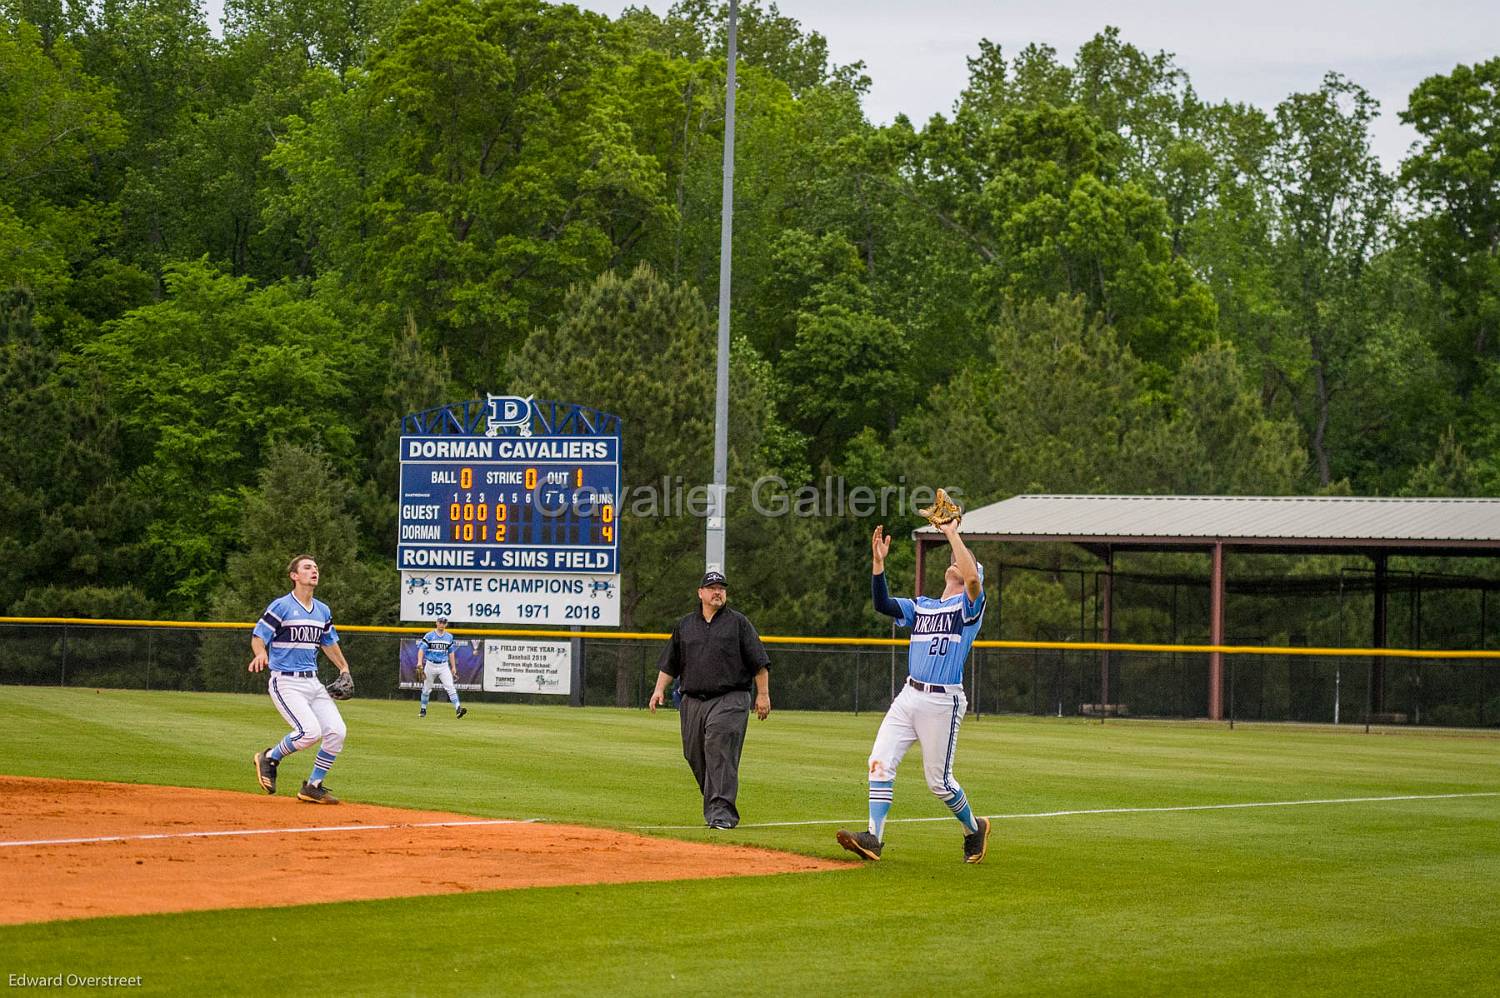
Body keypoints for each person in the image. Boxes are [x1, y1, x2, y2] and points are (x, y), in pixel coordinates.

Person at [836, 521, 991, 863]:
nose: (956, 560)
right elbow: (883, 604)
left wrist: (952, 532)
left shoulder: (969, 610)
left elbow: (974, 580)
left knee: (939, 783)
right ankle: (874, 837)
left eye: (963, 560)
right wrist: (878, 565)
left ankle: (973, 828)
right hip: (909, 695)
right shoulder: (922, 605)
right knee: (879, 761)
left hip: (942, 701)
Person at [648, 570, 771, 829]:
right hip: (692, 701)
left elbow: (759, 662)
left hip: (730, 699)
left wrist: (763, 694)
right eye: (712, 587)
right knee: (694, 754)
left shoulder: (738, 623)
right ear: (700, 593)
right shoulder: (685, 625)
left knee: (719, 749)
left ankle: (722, 814)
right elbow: (670, 663)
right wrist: (659, 689)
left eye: (722, 588)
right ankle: (715, 804)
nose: (718, 592)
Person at [249, 554, 354, 805]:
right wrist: (261, 652)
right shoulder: (281, 606)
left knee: (337, 732)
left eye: (315, 567)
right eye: (307, 567)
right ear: (294, 576)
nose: (313, 571)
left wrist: (344, 668)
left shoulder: (322, 610)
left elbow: (329, 642)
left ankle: (313, 786)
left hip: (312, 682)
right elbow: (258, 635)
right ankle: (269, 757)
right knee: (309, 732)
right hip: (285, 681)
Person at [415, 617, 468, 719]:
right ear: (436, 623)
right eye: (440, 622)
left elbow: (451, 652)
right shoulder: (429, 636)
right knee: (426, 689)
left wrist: (453, 667)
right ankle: (423, 709)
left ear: (446, 624)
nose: (442, 624)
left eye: (444, 622)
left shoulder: (449, 637)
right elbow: (421, 649)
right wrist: (419, 662)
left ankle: (458, 709)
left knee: (450, 687)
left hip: (443, 665)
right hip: (430, 664)